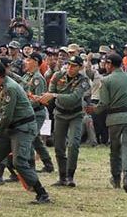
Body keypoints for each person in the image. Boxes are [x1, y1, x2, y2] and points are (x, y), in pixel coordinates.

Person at [0, 61, 51, 204]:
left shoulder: (9, 88)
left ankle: (42, 194)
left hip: (22, 128)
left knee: (19, 162)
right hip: (10, 127)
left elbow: (6, 116)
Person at [37, 54, 90, 187]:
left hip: (75, 115)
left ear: (80, 67)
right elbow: (50, 93)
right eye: (69, 65)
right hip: (60, 114)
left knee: (73, 144)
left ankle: (70, 176)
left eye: (74, 66)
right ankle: (62, 176)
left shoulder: (83, 81)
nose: (70, 68)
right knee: (59, 146)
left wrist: (54, 95)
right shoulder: (57, 76)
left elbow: (74, 97)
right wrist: (44, 97)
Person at [88, 52, 127, 193]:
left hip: (114, 119)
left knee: (115, 150)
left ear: (110, 64)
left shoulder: (106, 80)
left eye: (107, 63)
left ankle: (116, 179)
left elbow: (104, 104)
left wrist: (94, 110)